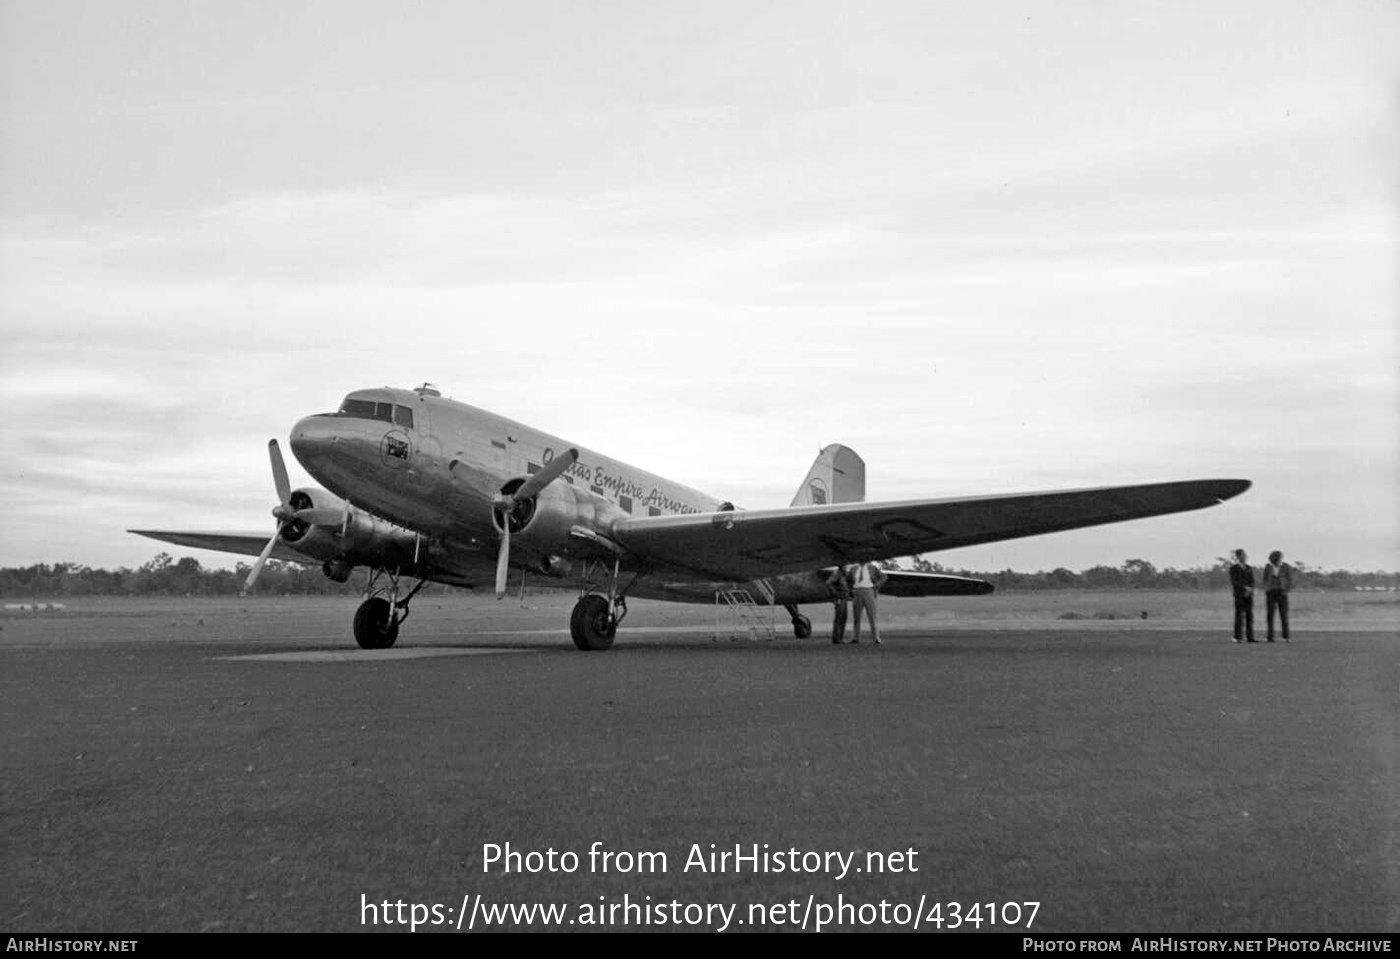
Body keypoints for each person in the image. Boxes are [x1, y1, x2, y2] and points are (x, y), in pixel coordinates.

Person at [848, 560, 889, 645]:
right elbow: (847, 580)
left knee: (872, 616)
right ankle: (856, 638)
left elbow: (884, 576)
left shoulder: (872, 568)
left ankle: (876, 638)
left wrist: (877, 585)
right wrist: (850, 589)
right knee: (856, 617)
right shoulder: (853, 568)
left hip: (869, 591)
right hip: (857, 592)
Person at [1262, 550, 1293, 642]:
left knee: (1284, 614)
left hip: (1282, 592)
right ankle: (1270, 637)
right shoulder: (1268, 567)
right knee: (1270, 615)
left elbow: (1289, 579)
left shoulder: (1286, 567)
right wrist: (1266, 589)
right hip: (1271, 592)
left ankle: (1286, 636)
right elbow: (1265, 579)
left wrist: (1286, 590)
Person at [1229, 548, 1256, 642]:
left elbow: (1252, 581)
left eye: (1245, 555)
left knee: (1250, 617)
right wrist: (1244, 588)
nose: (1245, 557)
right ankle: (1238, 637)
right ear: (1238, 556)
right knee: (1239, 617)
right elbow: (1234, 582)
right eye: (1243, 555)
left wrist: (1250, 589)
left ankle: (1250, 637)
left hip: (1249, 596)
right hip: (1239, 595)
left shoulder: (1249, 568)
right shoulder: (1233, 569)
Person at [824, 566, 852, 644]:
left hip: (843, 599)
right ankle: (837, 638)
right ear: (841, 567)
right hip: (840, 599)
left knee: (843, 618)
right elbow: (828, 583)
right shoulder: (837, 574)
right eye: (845, 567)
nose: (846, 568)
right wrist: (836, 594)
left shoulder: (842, 575)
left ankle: (839, 638)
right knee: (839, 618)